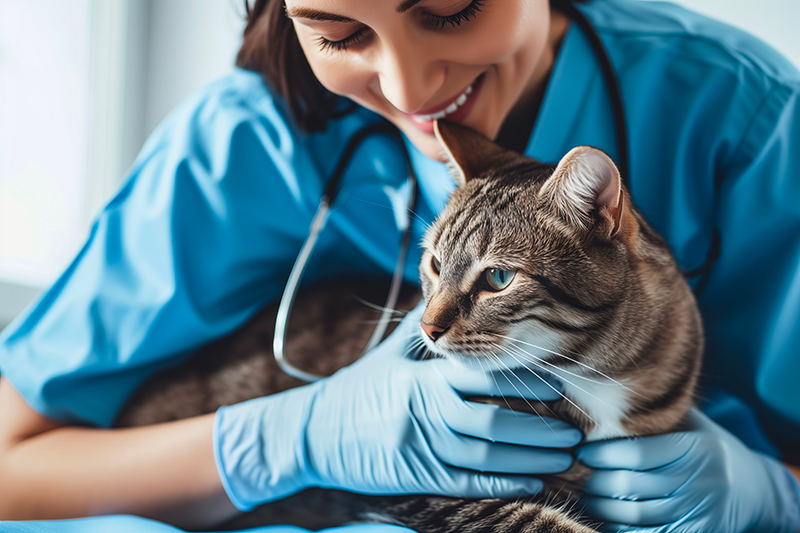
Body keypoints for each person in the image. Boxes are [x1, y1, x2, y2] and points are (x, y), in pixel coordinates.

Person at [0, 0, 798, 532]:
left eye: (451, 8)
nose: (412, 87)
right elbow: (11, 467)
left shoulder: (740, 111)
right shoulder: (240, 144)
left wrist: (772, 493)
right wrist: (287, 436)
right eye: (339, 33)